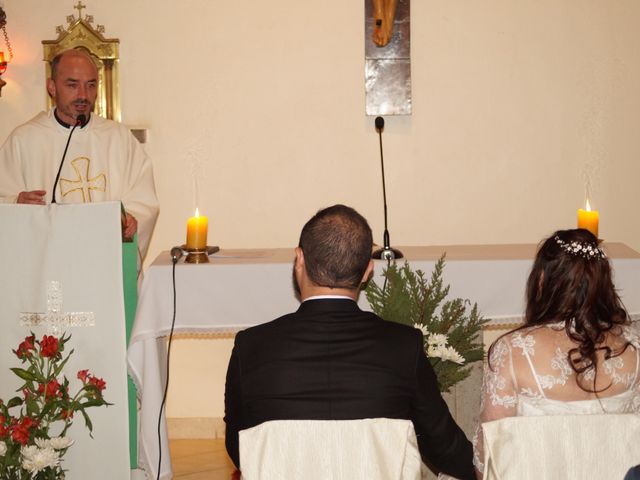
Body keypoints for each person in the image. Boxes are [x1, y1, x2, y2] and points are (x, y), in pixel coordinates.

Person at [224, 204, 475, 480]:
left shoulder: (250, 346)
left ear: (299, 260)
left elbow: (240, 448)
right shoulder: (404, 345)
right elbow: (445, 447)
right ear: (368, 270)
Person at [473, 228, 640, 477]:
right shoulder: (634, 346)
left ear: (542, 280)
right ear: (603, 283)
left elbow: (489, 454)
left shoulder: (512, 351)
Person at [0, 48, 159, 261]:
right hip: (47, 265)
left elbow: (144, 200)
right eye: (72, 85)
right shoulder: (24, 140)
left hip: (104, 262)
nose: (83, 95)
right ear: (52, 87)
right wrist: (16, 203)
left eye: (91, 85)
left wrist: (132, 219)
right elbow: (4, 200)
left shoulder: (118, 138)